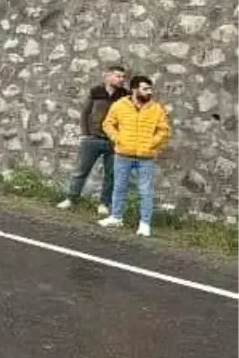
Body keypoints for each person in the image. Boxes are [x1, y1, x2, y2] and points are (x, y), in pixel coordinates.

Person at [98, 75, 171, 237]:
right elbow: (108, 124)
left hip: (146, 157)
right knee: (119, 187)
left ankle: (145, 224)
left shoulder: (156, 108)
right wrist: (118, 139)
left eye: (150, 89)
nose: (149, 92)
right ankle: (116, 217)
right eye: (145, 89)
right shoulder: (120, 105)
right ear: (134, 90)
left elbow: (164, 130)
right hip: (123, 154)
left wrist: (152, 144)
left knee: (145, 191)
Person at [57, 64, 129, 215]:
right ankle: (71, 199)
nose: (121, 79)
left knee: (111, 175)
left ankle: (104, 204)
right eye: (117, 76)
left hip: (113, 141)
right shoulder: (96, 92)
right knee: (81, 170)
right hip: (92, 138)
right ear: (108, 76)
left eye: (123, 77)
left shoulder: (125, 96)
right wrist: (85, 133)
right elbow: (85, 113)